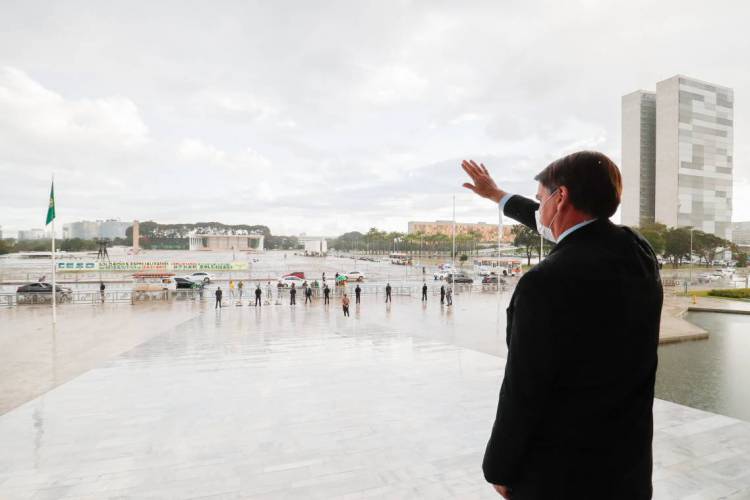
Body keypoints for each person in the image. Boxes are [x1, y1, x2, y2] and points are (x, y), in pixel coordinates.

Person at [461, 153, 662, 499]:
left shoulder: (545, 282)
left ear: (561, 198)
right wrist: (496, 195)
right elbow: (559, 227)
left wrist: (499, 466)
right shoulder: (638, 252)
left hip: (561, 476)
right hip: (626, 470)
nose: (539, 210)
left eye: (541, 199)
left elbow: (524, 388)